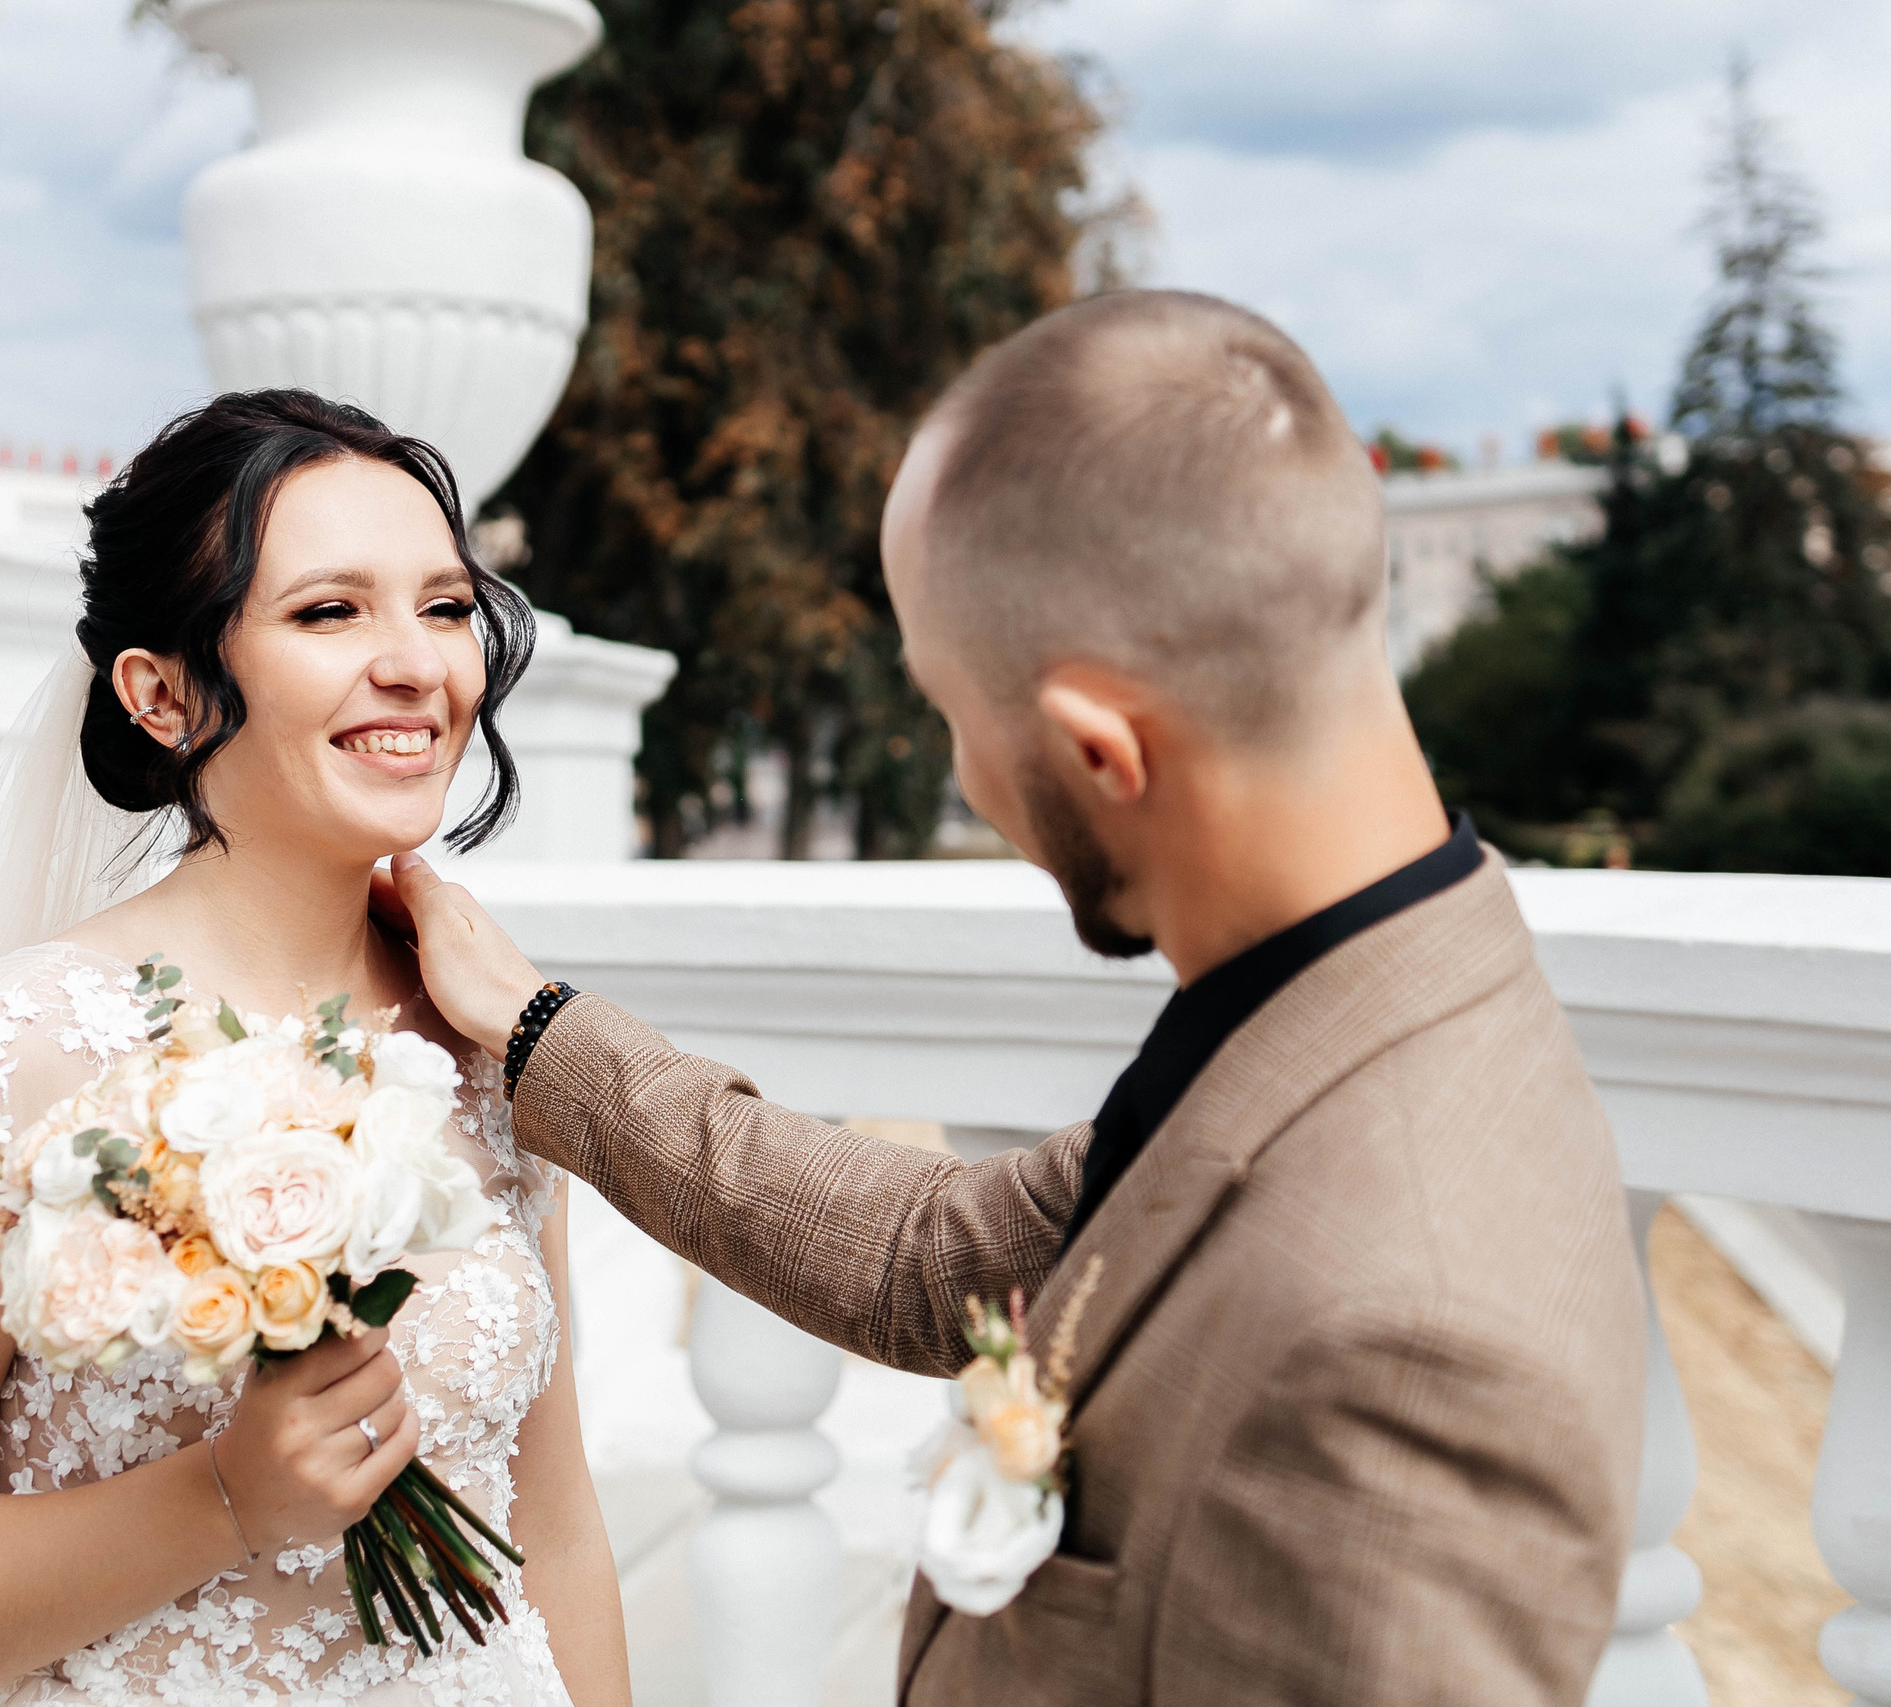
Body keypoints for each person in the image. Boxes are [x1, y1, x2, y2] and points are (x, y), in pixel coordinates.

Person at [377, 291, 1648, 1705]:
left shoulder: (1404, 1347)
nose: (969, 784)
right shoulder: (1357, 993)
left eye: (949, 714)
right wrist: (542, 1029)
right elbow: (948, 1252)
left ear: (1100, 750)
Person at [0, 390, 627, 1707]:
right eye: (330, 611)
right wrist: (220, 1498)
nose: (418, 665)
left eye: (444, 607)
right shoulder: (13, 1053)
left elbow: (550, 1524)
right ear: (160, 692)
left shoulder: (483, 1036)